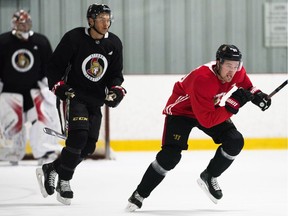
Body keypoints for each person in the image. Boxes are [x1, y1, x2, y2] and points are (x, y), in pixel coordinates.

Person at [126, 44, 272, 211]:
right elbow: (207, 121)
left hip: (207, 107)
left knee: (234, 140)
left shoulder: (236, 71)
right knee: (170, 157)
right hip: (182, 112)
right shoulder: (203, 79)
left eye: (236, 66)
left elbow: (246, 85)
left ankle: (209, 176)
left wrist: (258, 94)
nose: (232, 71)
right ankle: (139, 194)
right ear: (219, 63)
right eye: (228, 66)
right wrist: (232, 106)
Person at [36, 3, 126, 205]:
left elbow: (115, 75)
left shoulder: (113, 43)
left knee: (88, 147)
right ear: (91, 20)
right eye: (101, 18)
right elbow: (55, 66)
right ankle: (65, 182)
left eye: (108, 18)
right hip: (73, 96)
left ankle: (53, 168)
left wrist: (115, 90)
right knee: (78, 137)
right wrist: (59, 87)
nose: (106, 22)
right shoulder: (74, 38)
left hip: (95, 100)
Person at [0, 9, 59, 165]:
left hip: (35, 91)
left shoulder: (40, 41)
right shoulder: (3, 41)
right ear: (14, 24)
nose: (24, 26)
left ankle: (45, 152)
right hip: (9, 92)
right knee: (11, 122)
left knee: (41, 120)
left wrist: (49, 85)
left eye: (26, 23)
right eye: (20, 23)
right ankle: (11, 152)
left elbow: (49, 66)